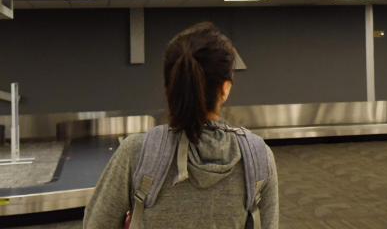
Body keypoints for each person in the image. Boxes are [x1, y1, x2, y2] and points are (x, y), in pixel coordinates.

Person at [84, 22, 278, 228]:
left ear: (169, 86)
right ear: (225, 89)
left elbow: (97, 223)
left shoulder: (136, 153)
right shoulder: (258, 156)